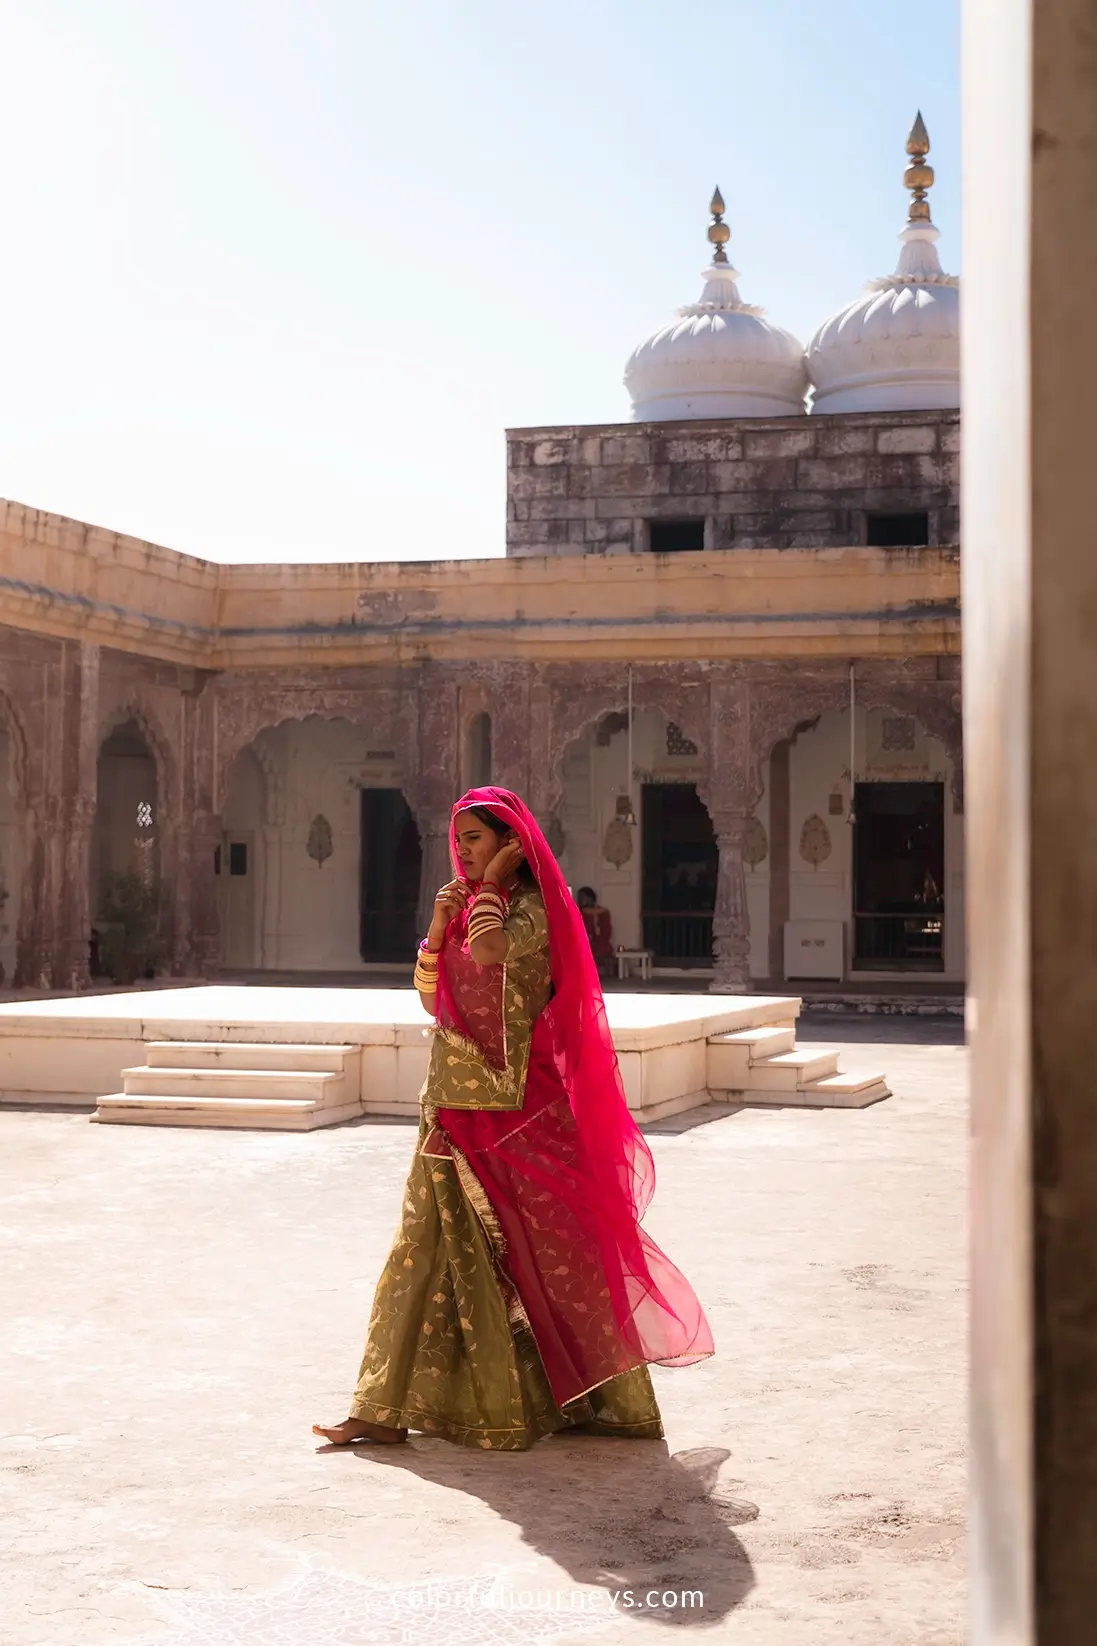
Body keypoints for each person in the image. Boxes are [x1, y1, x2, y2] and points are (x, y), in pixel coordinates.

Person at [313, 787, 712, 1451]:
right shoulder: (467, 905)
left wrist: (495, 881)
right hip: (448, 1104)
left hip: (519, 1108)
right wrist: (438, 927)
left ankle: (589, 1398)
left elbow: (494, 952)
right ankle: (378, 1407)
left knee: (552, 1259)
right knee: (421, 1253)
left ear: (510, 842)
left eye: (475, 838)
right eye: (459, 839)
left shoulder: (532, 909)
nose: (462, 850)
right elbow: (428, 994)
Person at [575, 885, 614, 977]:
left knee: (603, 949)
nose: (580, 900)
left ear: (590, 898)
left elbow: (607, 930)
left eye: (582, 897)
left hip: (601, 941)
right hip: (585, 941)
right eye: (579, 898)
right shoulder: (579, 912)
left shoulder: (604, 912)